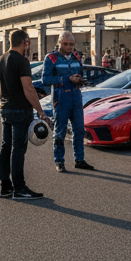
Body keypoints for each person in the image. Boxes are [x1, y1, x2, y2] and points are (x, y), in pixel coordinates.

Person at [0, 28, 50, 200]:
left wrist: (2, 101)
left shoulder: (1, 59)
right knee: (18, 149)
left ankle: (6, 188)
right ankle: (19, 188)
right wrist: (40, 111)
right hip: (19, 110)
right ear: (25, 43)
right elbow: (28, 88)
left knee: (6, 147)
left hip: (5, 108)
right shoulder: (21, 61)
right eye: (29, 41)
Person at [42, 32, 96, 173]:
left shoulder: (76, 56)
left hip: (76, 97)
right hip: (61, 99)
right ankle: (59, 161)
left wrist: (81, 80)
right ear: (59, 43)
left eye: (71, 44)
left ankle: (79, 159)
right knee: (60, 132)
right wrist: (66, 79)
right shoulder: (51, 58)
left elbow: (81, 74)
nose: (68, 46)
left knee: (79, 130)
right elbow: (45, 80)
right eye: (65, 44)